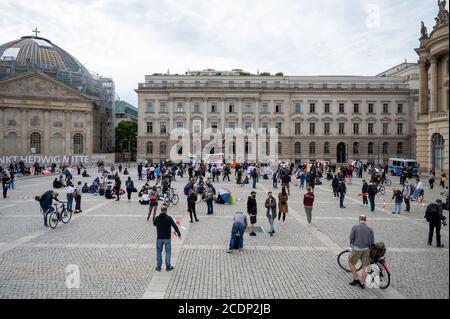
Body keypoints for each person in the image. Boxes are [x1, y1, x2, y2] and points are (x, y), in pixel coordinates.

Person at [348, 215, 375, 289]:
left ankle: (356, 279)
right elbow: (372, 241)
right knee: (365, 266)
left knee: (351, 262)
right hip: (366, 250)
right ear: (365, 220)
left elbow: (351, 238)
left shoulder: (355, 227)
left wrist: (352, 243)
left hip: (357, 249)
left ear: (359, 219)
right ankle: (362, 283)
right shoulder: (370, 229)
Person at [153, 206, 181, 271]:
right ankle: (168, 266)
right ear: (166, 210)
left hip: (159, 238)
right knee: (168, 252)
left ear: (161, 210)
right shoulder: (169, 218)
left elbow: (154, 223)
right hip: (167, 238)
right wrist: (179, 234)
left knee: (158, 252)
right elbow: (175, 226)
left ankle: (159, 266)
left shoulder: (157, 218)